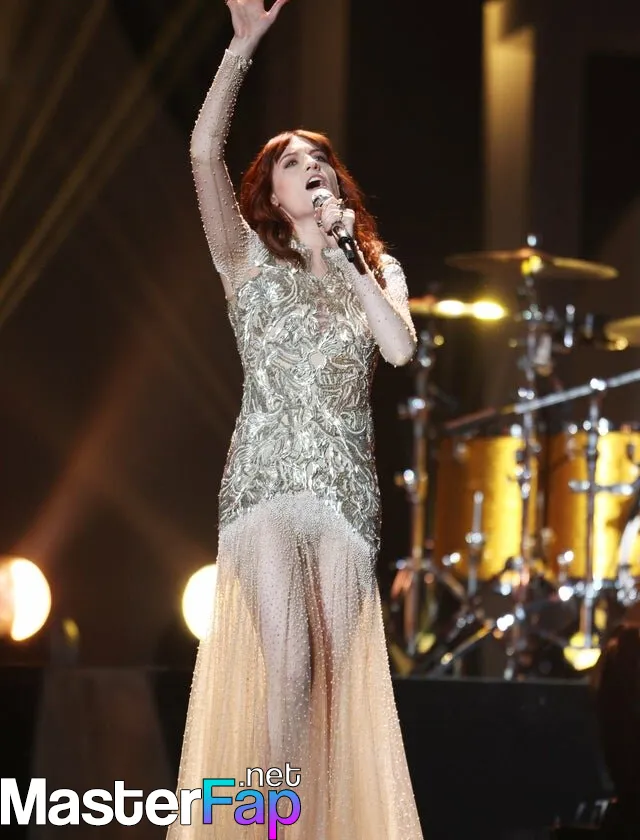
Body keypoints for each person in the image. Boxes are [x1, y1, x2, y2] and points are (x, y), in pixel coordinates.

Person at [168, 1, 424, 837]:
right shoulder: (243, 261)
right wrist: (240, 49)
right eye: (292, 161)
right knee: (289, 668)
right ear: (271, 193)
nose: (311, 167)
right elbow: (202, 152)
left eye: (321, 160)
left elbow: (398, 350)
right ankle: (275, 829)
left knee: (332, 690)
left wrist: (350, 262)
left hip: (345, 493)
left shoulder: (376, 267)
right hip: (266, 484)